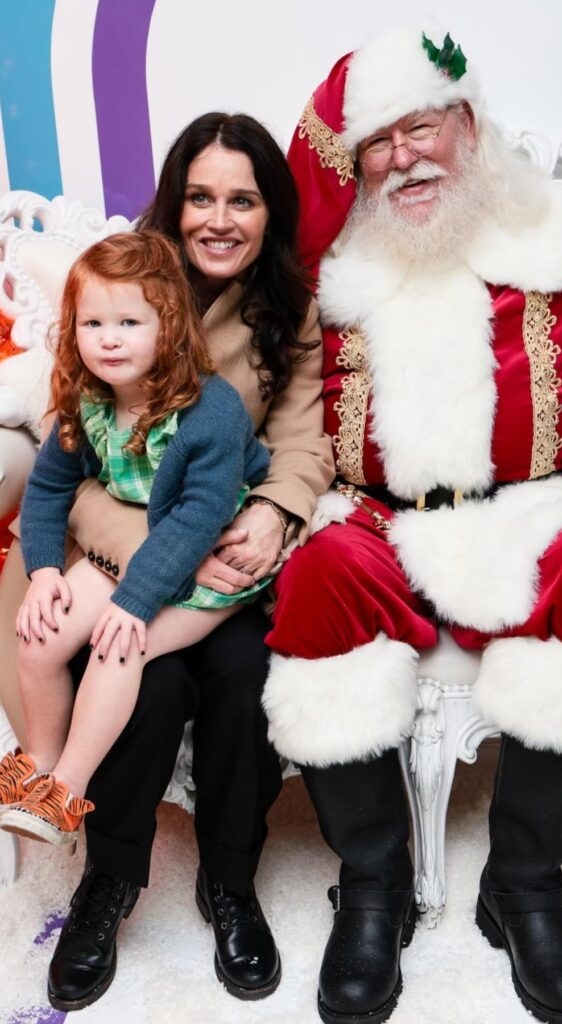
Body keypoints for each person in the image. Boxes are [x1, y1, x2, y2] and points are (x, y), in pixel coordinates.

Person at [264, 28, 562, 1024]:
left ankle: (524, 881)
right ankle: (373, 881)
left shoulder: (558, 235)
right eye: (380, 139)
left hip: (534, 504)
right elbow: (293, 176)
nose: (403, 154)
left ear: (470, 125)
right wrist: (378, 70)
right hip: (373, 514)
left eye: (422, 125)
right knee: (314, 586)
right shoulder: (332, 257)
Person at [0, 113, 334, 1009]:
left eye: (243, 199)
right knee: (139, 680)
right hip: (122, 548)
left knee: (244, 677)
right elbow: (68, 469)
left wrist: (269, 516)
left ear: (270, 212)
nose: (219, 218)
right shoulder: (125, 289)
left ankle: (229, 879)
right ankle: (107, 881)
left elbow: (302, 443)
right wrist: (145, 560)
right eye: (200, 197)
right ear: (172, 204)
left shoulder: (287, 309)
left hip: (225, 552)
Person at [0, 230, 271, 847]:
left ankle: (66, 792)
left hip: (207, 555)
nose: (110, 338)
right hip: (129, 539)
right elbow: (47, 492)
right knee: (41, 636)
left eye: (128, 321)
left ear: (168, 325)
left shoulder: (212, 410)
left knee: (119, 644)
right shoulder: (87, 400)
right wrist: (44, 571)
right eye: (93, 322)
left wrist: (133, 602)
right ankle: (41, 762)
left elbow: (197, 521)